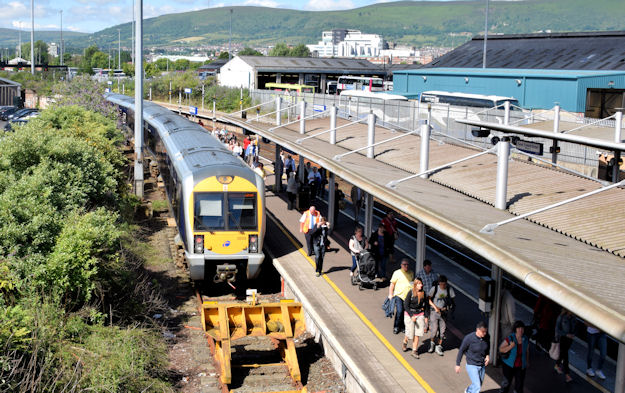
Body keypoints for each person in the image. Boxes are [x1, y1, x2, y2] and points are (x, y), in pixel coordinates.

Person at [455, 321, 490, 393]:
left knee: (478, 384)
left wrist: (487, 356)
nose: (485, 333)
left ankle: (468, 391)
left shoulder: (487, 337)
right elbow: (461, 350)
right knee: (477, 386)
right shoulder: (469, 338)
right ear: (478, 330)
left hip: (481, 364)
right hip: (472, 364)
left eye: (486, 332)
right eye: (483, 332)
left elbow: (487, 347)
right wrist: (458, 364)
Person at [499, 320, 529, 393]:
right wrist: (510, 346)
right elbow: (501, 349)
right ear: (515, 329)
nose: (520, 330)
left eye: (522, 328)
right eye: (518, 328)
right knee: (506, 383)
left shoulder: (525, 339)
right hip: (508, 365)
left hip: (521, 366)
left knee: (519, 385)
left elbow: (527, 351)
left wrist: (527, 361)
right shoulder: (510, 338)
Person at [428, 275, 455, 356]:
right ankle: (432, 343)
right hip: (434, 312)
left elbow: (452, 301)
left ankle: (439, 346)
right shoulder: (434, 289)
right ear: (439, 283)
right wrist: (435, 308)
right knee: (434, 330)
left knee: (442, 332)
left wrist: (447, 308)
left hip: (443, 313)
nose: (443, 286)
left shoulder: (449, 289)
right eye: (442, 284)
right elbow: (429, 299)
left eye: (445, 284)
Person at [402, 277, 429, 359]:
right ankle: (405, 341)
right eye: (419, 284)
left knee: (417, 334)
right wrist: (411, 315)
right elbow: (406, 305)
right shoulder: (410, 293)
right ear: (415, 285)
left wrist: (426, 317)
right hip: (410, 314)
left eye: (421, 284)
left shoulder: (424, 294)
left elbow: (426, 306)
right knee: (410, 333)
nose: (421, 285)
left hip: (419, 314)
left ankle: (414, 350)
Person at [388, 258, 414, 335]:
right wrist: (390, 294)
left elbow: (412, 283)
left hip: (408, 296)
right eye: (404, 264)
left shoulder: (411, 273)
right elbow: (392, 284)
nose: (406, 266)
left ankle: (402, 326)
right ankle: (396, 326)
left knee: (405, 312)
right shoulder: (397, 273)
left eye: (407, 265)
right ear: (401, 265)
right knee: (399, 311)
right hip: (399, 295)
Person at [554, 309, 576, 383]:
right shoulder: (562, 317)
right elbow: (557, 329)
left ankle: (557, 364)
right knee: (565, 355)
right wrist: (566, 335)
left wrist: (573, 335)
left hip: (570, 340)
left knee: (563, 354)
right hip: (562, 338)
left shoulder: (574, 318)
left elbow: (576, 328)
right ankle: (567, 374)